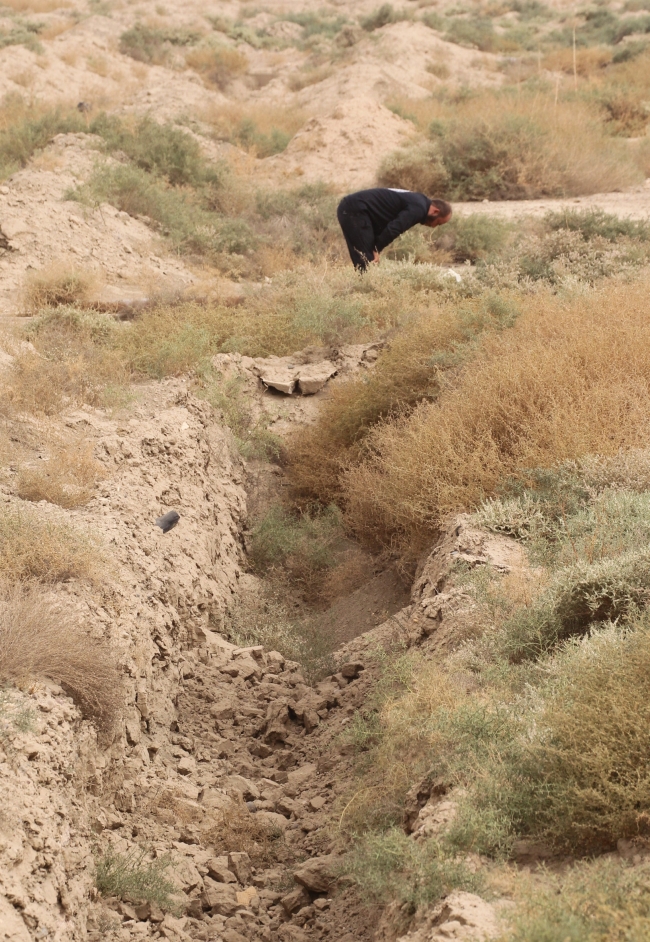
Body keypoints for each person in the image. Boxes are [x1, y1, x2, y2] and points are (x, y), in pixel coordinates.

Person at [337, 187, 452, 271]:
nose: (433, 227)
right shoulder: (419, 208)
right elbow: (395, 228)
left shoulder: (420, 200)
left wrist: (376, 247)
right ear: (435, 211)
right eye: (437, 223)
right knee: (367, 260)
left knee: (367, 258)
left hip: (356, 209)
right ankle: (364, 295)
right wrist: (376, 249)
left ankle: (365, 291)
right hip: (356, 210)